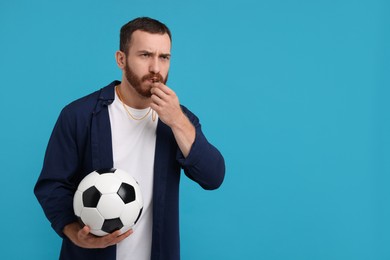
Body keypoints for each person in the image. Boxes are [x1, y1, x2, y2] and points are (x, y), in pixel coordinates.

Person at [34, 17, 225, 260]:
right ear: (121, 59)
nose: (156, 68)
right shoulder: (79, 115)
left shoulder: (179, 119)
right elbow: (51, 185)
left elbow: (213, 176)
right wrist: (73, 232)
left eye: (164, 57)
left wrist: (176, 120)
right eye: (145, 55)